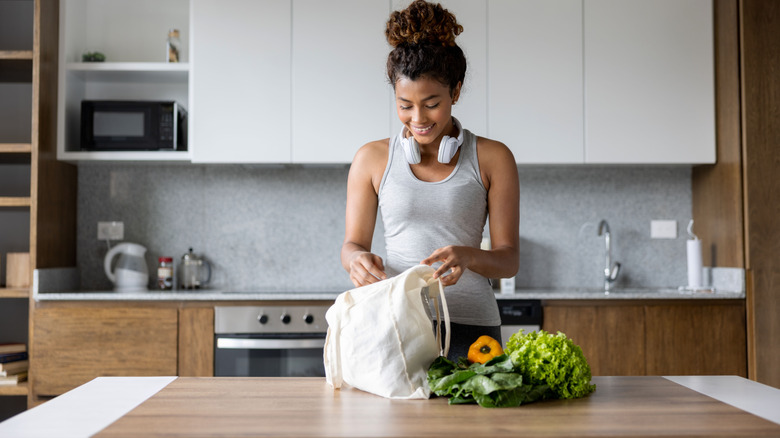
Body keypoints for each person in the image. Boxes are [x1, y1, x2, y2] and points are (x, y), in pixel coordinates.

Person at [341, 0, 519, 361]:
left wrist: (468, 256)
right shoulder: (371, 159)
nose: (418, 118)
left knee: (471, 419)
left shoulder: (493, 157)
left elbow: (509, 260)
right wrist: (356, 260)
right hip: (397, 323)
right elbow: (352, 245)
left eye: (432, 103)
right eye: (405, 105)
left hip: (472, 328)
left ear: (455, 91)